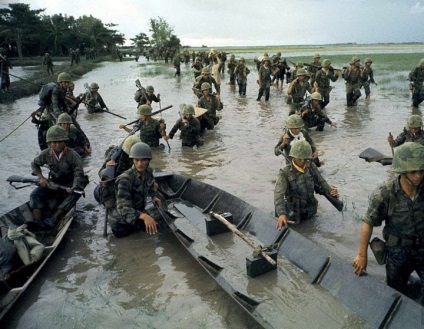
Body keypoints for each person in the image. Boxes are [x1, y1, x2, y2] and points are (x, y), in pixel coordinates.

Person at [352, 142, 424, 299]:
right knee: (395, 294)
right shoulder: (385, 193)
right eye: (413, 171)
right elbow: (368, 222)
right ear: (402, 170)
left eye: (421, 170)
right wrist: (362, 255)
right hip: (398, 252)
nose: (418, 175)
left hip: (422, 248)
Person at [28, 126, 87, 230]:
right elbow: (34, 164)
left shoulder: (73, 155)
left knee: (76, 193)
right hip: (54, 183)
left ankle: (54, 219)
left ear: (65, 141)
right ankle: (37, 221)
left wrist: (74, 186)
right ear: (49, 143)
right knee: (35, 194)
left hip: (70, 183)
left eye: (60, 142)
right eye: (54, 142)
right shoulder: (45, 154)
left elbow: (79, 173)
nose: (57, 145)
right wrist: (41, 177)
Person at [274, 140, 338, 227]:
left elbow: (321, 181)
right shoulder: (285, 173)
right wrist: (281, 214)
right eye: (300, 159)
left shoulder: (311, 167)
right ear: (293, 157)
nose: (303, 161)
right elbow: (278, 195)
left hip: (311, 211)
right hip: (294, 215)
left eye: (306, 159)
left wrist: (331, 191)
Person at [109, 142, 162, 238]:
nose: (140, 164)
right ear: (132, 160)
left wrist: (154, 196)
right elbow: (123, 208)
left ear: (148, 160)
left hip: (138, 214)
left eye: (143, 160)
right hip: (122, 222)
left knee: (159, 227)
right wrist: (144, 216)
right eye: (136, 160)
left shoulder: (148, 172)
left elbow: (149, 185)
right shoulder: (125, 179)